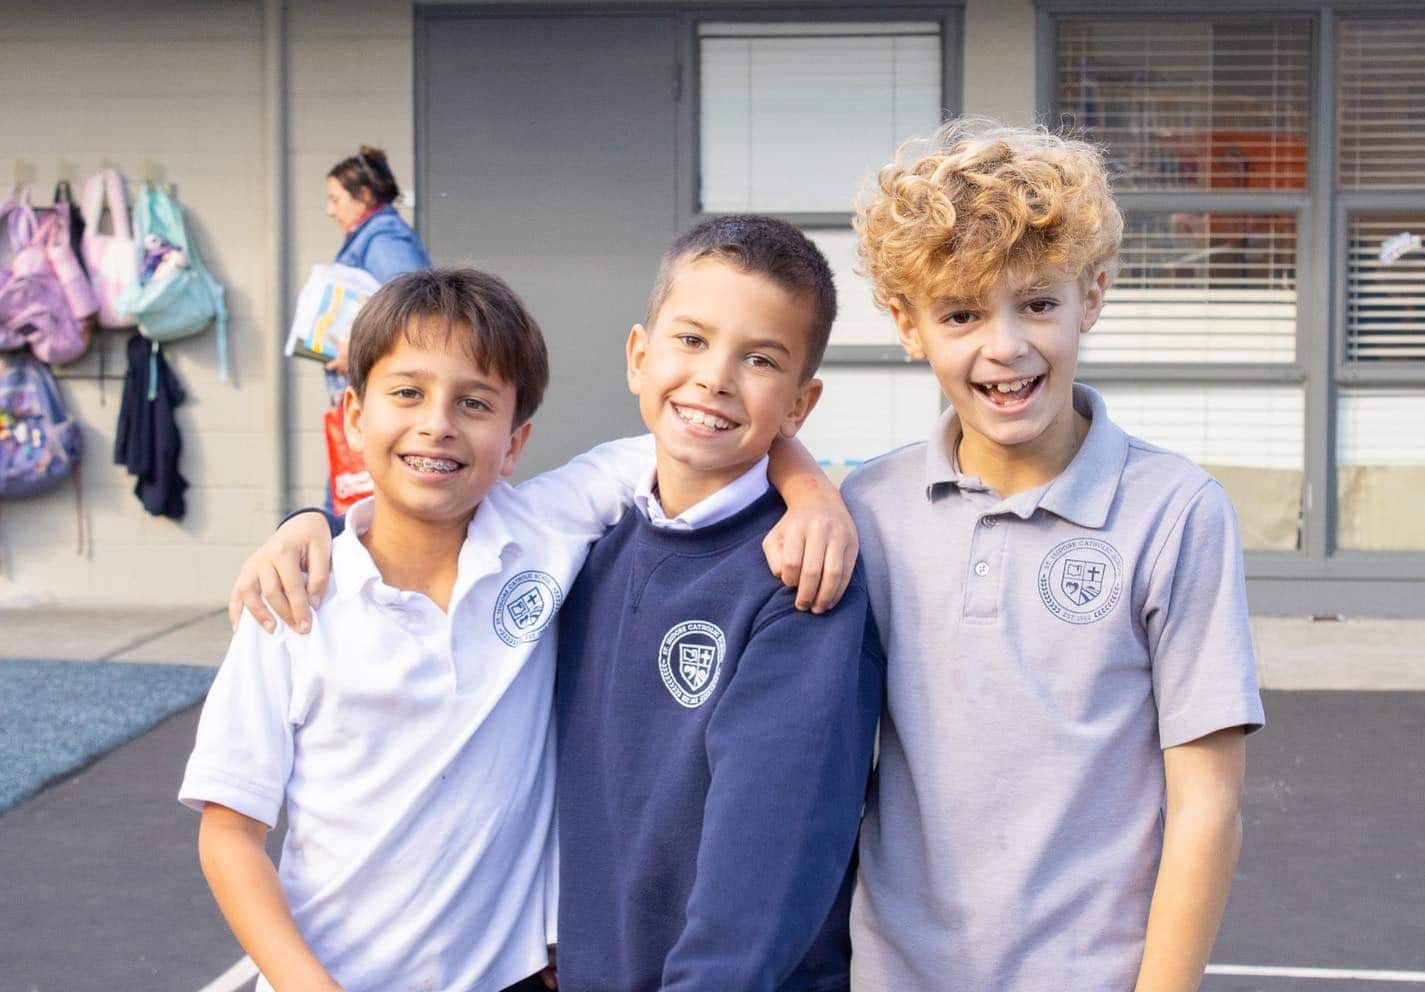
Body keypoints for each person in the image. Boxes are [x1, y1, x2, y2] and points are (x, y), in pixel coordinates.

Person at [192, 268, 858, 992]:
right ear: (354, 416)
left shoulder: (545, 527)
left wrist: (812, 494)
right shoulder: (290, 603)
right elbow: (229, 834)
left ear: (515, 442)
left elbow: (704, 435)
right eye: (407, 393)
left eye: (474, 403)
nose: (437, 423)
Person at [843, 117, 1265, 991]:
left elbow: (1206, 806)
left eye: (1036, 303)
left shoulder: (1175, 512)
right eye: (961, 313)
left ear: (1092, 296)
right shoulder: (867, 511)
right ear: (907, 324)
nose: (1004, 346)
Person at [553, 216, 883, 991]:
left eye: (759, 358)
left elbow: (770, 856)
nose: (714, 378)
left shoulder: (802, 578)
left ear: (799, 405)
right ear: (639, 356)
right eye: (692, 340)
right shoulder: (584, 550)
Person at [324, 145, 431, 378]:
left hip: (379, 378)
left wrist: (359, 351)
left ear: (364, 195)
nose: (329, 211)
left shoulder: (385, 241)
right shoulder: (372, 238)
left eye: (335, 199)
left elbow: (412, 307)